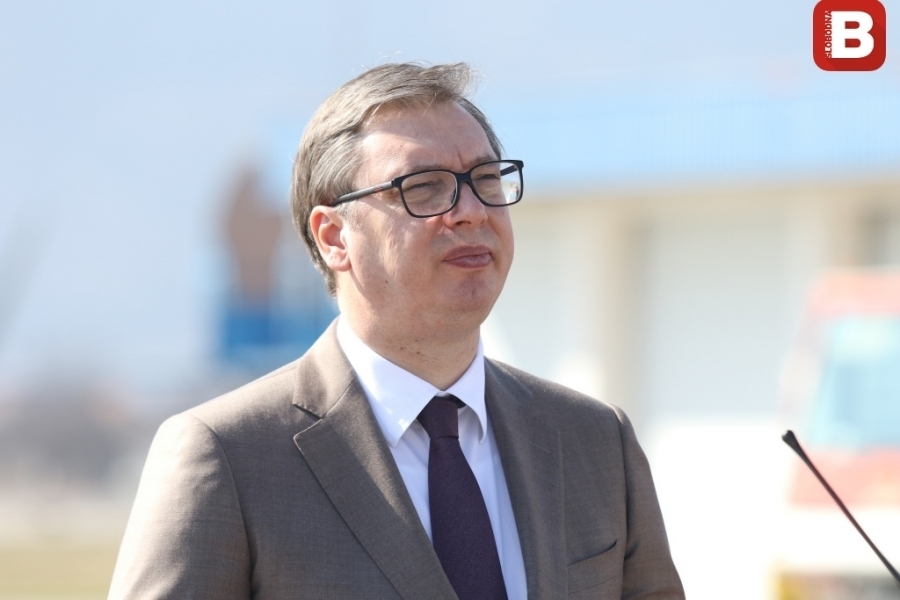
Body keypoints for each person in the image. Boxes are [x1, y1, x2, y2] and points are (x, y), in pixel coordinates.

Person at [108, 62, 684, 600]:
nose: (471, 211)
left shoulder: (595, 441)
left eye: (486, 179)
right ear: (334, 237)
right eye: (424, 187)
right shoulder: (229, 457)